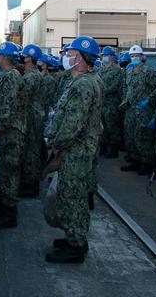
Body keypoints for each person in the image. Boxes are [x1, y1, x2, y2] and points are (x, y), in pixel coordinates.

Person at [45, 36, 104, 263]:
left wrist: (57, 144)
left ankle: (76, 244)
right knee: (75, 196)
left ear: (80, 58)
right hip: (80, 150)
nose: (67, 57)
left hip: (75, 152)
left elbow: (73, 123)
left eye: (71, 54)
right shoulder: (87, 80)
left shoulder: (83, 84)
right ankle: (74, 237)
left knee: (73, 197)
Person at [0, 41, 26, 229]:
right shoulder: (10, 76)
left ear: (4, 57)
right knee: (4, 170)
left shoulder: (11, 77)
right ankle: (2, 207)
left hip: (10, 132)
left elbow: (8, 105)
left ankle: (9, 212)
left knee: (9, 171)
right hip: (8, 130)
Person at [120, 45, 156, 175]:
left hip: (143, 109)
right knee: (130, 135)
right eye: (132, 56)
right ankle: (135, 160)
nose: (134, 58)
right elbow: (127, 88)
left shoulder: (148, 71)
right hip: (130, 109)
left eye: (137, 56)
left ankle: (147, 163)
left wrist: (149, 99)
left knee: (142, 137)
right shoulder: (129, 72)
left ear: (142, 57)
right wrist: (125, 100)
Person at [19, 44, 45, 198]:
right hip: (34, 115)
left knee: (31, 151)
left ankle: (31, 185)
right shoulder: (33, 74)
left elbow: (23, 97)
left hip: (31, 117)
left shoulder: (31, 77)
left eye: (24, 55)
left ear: (29, 58)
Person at [98, 46, 125, 159]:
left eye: (106, 55)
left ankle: (114, 149)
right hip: (102, 103)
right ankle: (104, 147)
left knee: (112, 126)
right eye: (103, 55)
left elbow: (115, 86)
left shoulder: (117, 70)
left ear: (112, 57)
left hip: (112, 103)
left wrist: (102, 90)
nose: (104, 57)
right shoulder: (101, 69)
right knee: (103, 126)